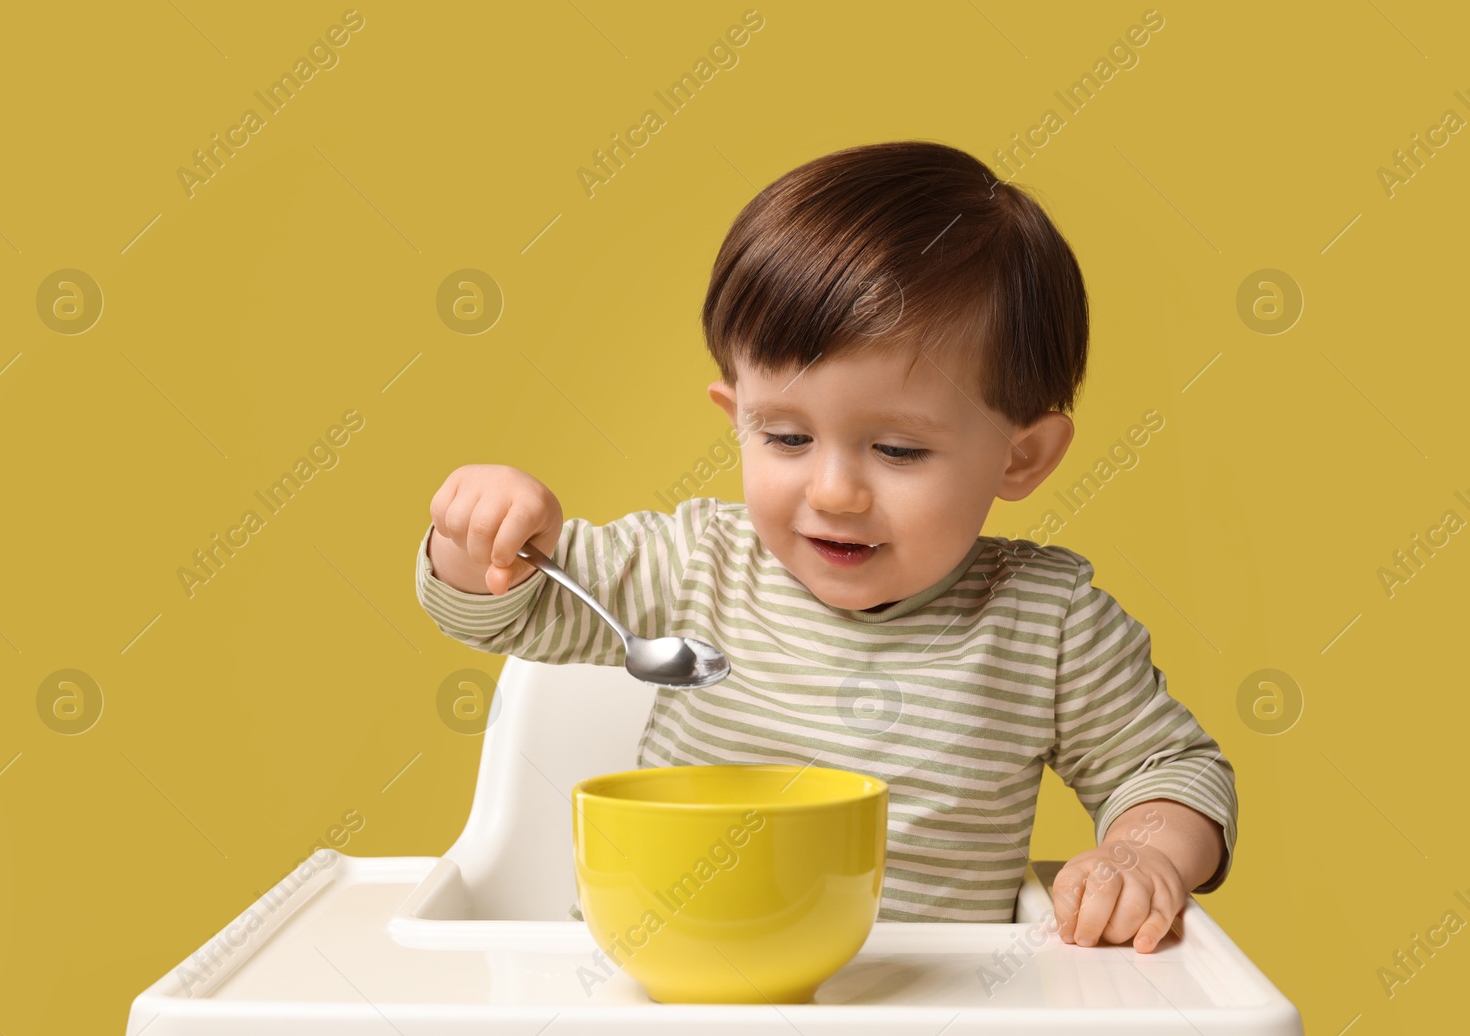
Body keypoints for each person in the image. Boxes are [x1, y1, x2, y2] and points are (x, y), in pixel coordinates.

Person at [414, 140, 1236, 954]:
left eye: (899, 450)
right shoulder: (697, 561)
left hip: (918, 1011)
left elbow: (1172, 768)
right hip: (667, 991)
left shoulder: (1046, 623)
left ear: (1020, 456)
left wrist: (1141, 852)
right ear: (736, 416)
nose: (834, 492)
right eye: (786, 435)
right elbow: (509, 609)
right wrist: (481, 536)